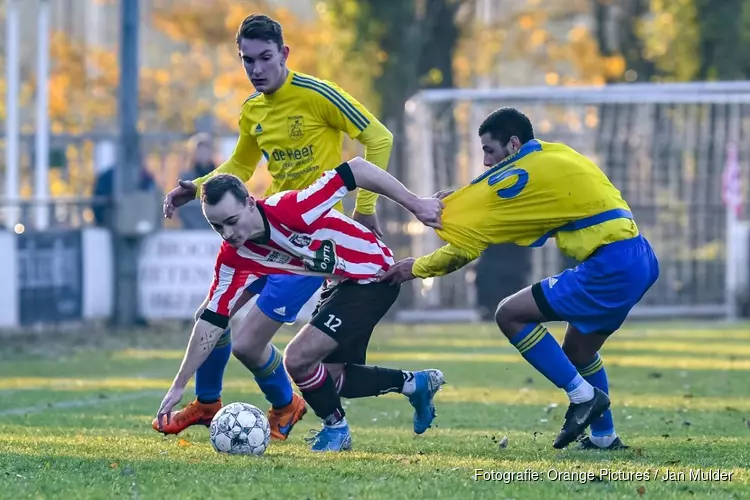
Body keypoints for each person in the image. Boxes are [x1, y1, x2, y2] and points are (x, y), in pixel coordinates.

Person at [157, 13, 394, 440]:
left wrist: (365, 207)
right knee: (213, 316)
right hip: (264, 228)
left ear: (284, 53)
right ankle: (210, 403)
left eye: (265, 58)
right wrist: (195, 188)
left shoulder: (317, 95)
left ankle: (289, 406)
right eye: (247, 61)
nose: (256, 70)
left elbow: (379, 139)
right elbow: (241, 167)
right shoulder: (252, 110)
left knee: (248, 344)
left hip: (310, 238)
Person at [381, 107, 660, 451]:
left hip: (611, 265)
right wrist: (456, 201)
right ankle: (604, 437)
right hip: (640, 257)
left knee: (509, 314)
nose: (485, 162)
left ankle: (582, 396)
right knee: (578, 351)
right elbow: (497, 191)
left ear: (513, 144)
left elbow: (466, 246)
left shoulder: (524, 171)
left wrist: (416, 268)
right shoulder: (552, 153)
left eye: (489, 150)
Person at [155, 157, 445, 452]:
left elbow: (357, 168)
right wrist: (179, 383)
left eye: (232, 221)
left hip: (374, 275)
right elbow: (211, 319)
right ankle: (414, 384)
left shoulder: (292, 209)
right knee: (330, 380)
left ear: (251, 204)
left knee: (297, 358)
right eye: (218, 227)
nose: (228, 233)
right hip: (340, 285)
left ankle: (336, 429)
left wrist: (415, 203)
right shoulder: (234, 255)